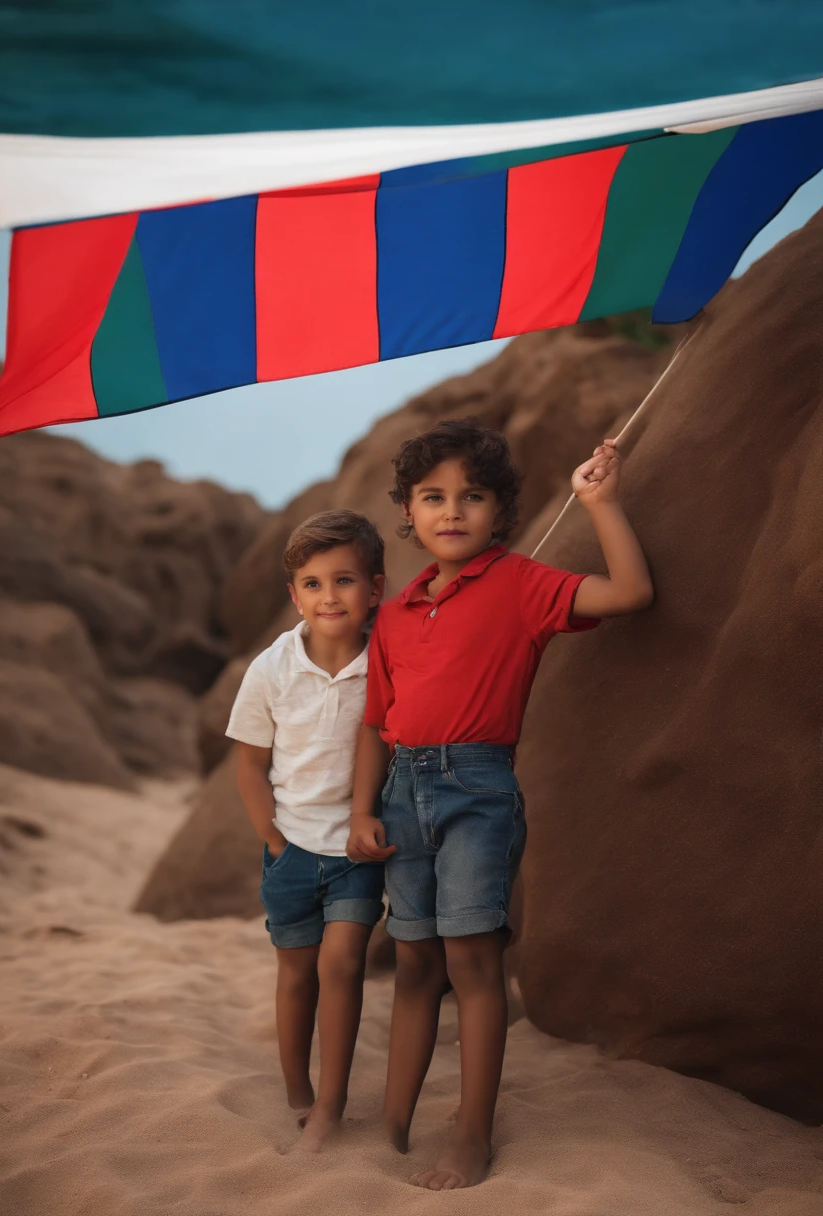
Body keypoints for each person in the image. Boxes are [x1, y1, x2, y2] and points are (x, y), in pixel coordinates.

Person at [346, 419, 653, 1189]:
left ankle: (471, 1136)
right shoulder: (395, 614)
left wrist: (601, 504)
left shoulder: (523, 583)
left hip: (477, 789)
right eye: (433, 497)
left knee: (472, 963)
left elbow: (631, 592)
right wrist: (361, 811)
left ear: (501, 513)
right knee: (412, 961)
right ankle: (393, 1122)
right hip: (401, 793)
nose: (453, 511)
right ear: (408, 513)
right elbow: (377, 724)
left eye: (472, 496)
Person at [227, 509, 387, 1151]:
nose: (329, 596)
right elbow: (248, 762)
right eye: (314, 584)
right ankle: (297, 1089)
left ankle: (331, 1104)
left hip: (355, 847)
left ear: (375, 588)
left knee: (344, 965)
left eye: (344, 580)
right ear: (294, 595)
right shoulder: (272, 668)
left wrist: (364, 817)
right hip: (290, 849)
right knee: (295, 975)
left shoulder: (386, 661)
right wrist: (272, 840)